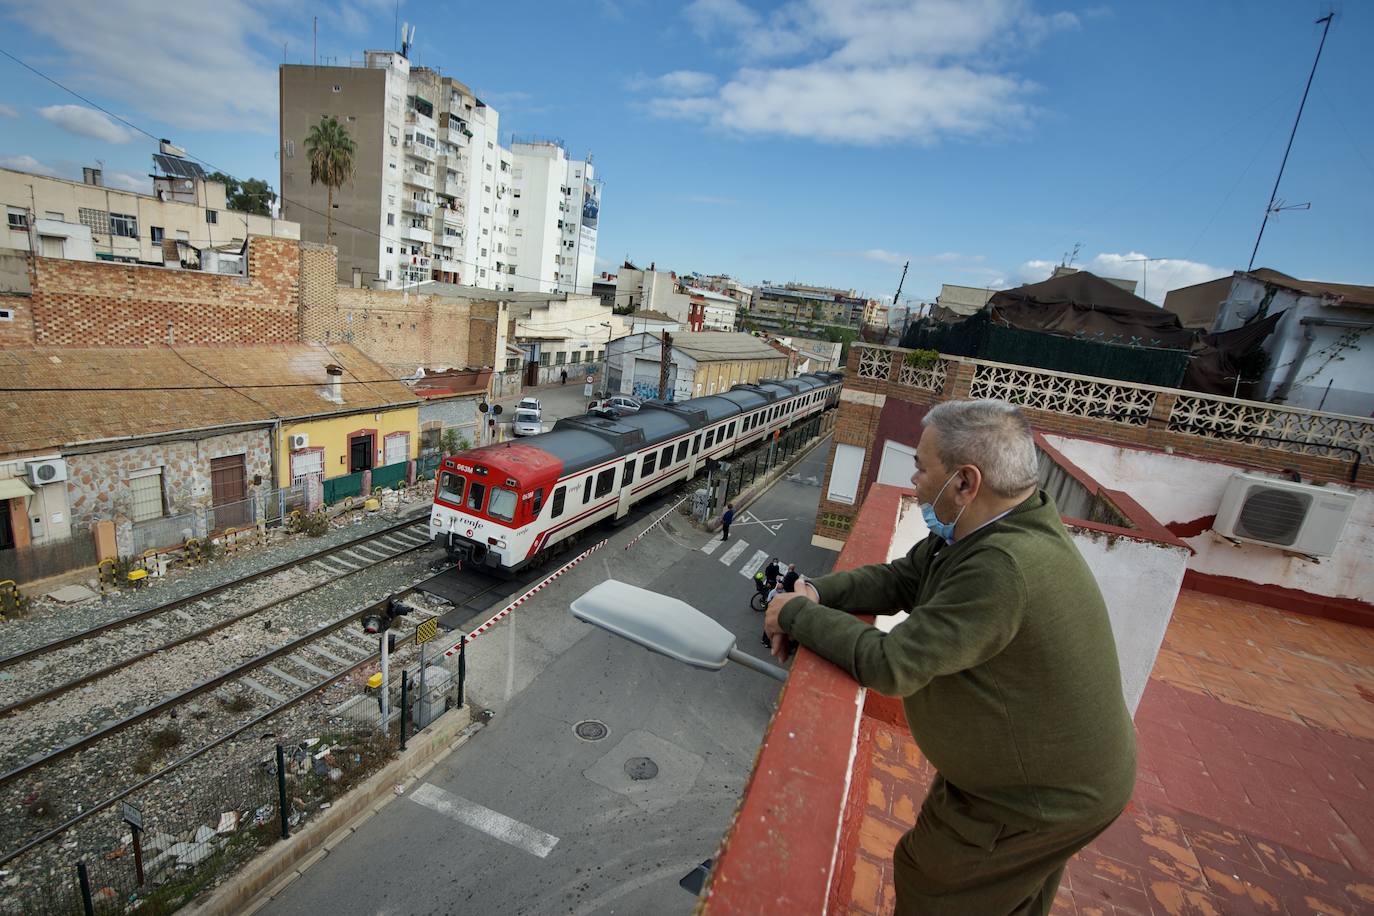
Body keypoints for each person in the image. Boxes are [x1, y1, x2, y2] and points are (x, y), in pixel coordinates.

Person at [764, 399, 1136, 915]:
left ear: (965, 482)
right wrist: (816, 593)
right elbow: (900, 580)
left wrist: (793, 615)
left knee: (932, 881)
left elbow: (891, 665)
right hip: (1021, 779)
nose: (913, 478)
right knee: (1006, 897)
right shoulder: (984, 530)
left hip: (1039, 799)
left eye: (921, 466)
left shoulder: (1003, 566)